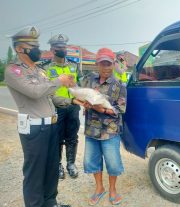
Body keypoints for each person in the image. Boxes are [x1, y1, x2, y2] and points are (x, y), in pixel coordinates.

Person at [4, 26, 73, 207]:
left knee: (51, 170)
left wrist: (78, 98)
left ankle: (50, 202)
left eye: (37, 44)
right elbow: (35, 92)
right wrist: (60, 81)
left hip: (51, 126)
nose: (37, 48)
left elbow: (49, 94)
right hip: (34, 129)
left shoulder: (40, 71)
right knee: (35, 173)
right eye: (32, 45)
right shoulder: (14, 71)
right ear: (19, 48)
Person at [82, 48, 126, 205]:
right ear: (97, 65)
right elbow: (81, 95)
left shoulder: (119, 85)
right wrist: (85, 104)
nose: (106, 67)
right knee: (92, 161)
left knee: (113, 163)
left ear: (113, 64)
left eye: (108, 64)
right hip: (91, 129)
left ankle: (113, 190)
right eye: (102, 64)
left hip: (110, 131)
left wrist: (102, 109)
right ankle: (99, 188)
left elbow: (121, 109)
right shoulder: (89, 81)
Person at [42, 34, 82, 179]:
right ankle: (57, 165)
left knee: (72, 137)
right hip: (55, 109)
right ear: (52, 49)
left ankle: (70, 163)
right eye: (59, 47)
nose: (63, 49)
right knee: (57, 138)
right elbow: (46, 92)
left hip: (73, 108)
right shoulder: (45, 68)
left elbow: (79, 86)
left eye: (64, 47)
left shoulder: (74, 66)